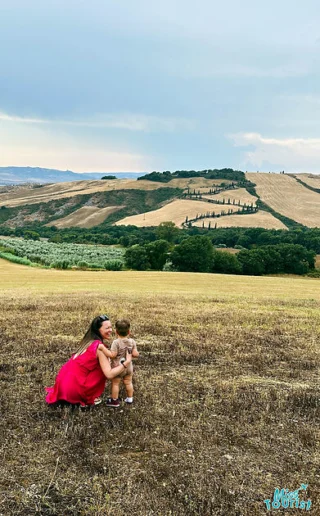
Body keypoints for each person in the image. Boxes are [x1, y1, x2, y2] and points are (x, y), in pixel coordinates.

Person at [45, 315, 132, 407]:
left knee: (100, 364)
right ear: (98, 329)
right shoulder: (99, 347)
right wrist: (126, 363)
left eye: (111, 327)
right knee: (102, 368)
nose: (110, 330)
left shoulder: (88, 342)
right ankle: (86, 396)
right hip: (74, 390)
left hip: (62, 386)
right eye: (107, 328)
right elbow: (109, 374)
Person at [106, 319, 139, 407]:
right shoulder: (132, 341)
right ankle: (130, 398)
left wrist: (106, 353)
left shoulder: (116, 342)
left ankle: (114, 400)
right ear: (129, 331)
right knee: (128, 382)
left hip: (118, 367)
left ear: (116, 332)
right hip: (128, 367)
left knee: (116, 383)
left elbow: (113, 355)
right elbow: (135, 354)